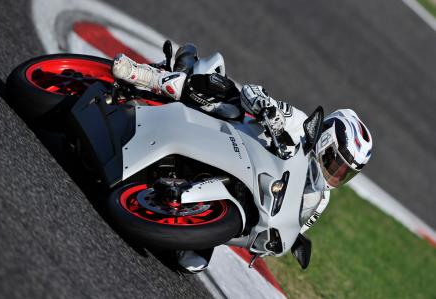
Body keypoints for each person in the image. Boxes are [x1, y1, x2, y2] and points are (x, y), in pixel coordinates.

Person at [112, 44, 373, 273]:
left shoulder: (319, 200)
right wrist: (267, 108)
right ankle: (146, 75)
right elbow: (252, 92)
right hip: (232, 136)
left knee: (192, 262)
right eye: (335, 162)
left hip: (243, 192)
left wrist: (285, 241)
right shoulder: (301, 124)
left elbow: (292, 227)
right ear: (325, 138)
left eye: (344, 172)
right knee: (227, 99)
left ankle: (171, 204)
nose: (335, 174)